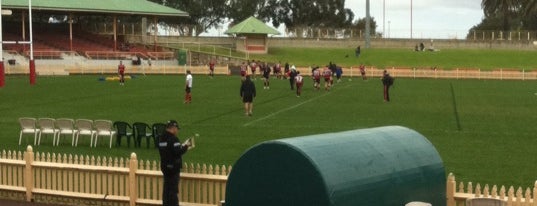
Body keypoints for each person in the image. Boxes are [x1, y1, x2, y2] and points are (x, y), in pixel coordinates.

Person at [158, 120, 191, 206]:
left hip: (165, 168)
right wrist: (186, 146)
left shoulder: (162, 138)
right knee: (173, 191)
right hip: (173, 169)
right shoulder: (174, 139)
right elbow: (177, 152)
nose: (177, 131)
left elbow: (165, 151)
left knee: (166, 191)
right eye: (177, 129)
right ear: (174, 128)